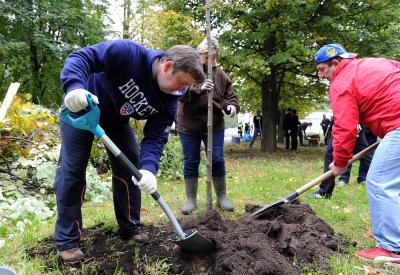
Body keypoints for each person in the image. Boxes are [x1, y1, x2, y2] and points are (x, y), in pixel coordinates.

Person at [55, 39, 205, 263]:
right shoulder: (129, 54)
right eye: (181, 83)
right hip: (81, 110)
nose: (181, 91)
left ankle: (130, 226)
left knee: (132, 167)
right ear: (167, 66)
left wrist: (149, 170)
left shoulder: (169, 102)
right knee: (73, 170)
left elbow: (155, 138)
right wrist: (74, 88)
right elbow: (81, 58)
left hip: (116, 121)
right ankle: (67, 241)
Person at [314, 43, 400, 263]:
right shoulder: (373, 63)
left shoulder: (341, 83)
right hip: (394, 124)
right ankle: (391, 228)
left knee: (380, 181)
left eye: (322, 69)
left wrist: (341, 163)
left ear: (336, 63)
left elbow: (344, 127)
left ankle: (391, 247)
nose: (321, 75)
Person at [176, 37, 239, 215]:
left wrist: (231, 106)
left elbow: (229, 96)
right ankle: (191, 199)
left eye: (209, 56)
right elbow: (180, 92)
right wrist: (198, 87)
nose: (206, 59)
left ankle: (222, 197)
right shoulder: (188, 69)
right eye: (203, 55)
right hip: (189, 124)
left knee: (217, 159)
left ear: (215, 56)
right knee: (191, 160)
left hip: (215, 124)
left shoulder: (220, 74)